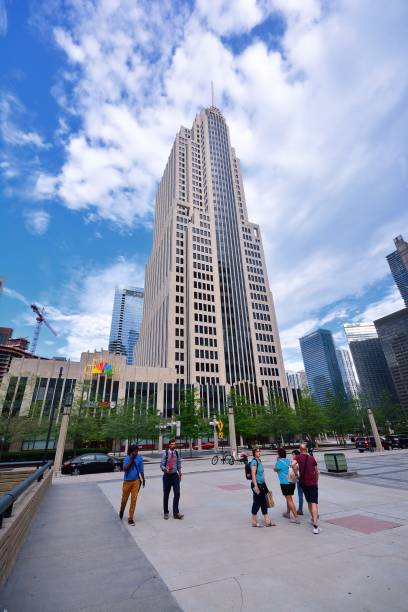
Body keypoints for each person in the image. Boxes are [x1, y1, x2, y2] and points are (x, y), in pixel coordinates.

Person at [293, 442, 320, 534]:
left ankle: (313, 518)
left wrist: (296, 474)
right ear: (307, 449)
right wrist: (316, 481)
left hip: (303, 483)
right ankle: (315, 524)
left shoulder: (298, 457)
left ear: (300, 450)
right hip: (312, 483)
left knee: (309, 501)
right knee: (313, 502)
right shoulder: (312, 458)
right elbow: (317, 472)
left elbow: (293, 465)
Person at [119, 444, 145, 526]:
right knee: (124, 499)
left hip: (136, 481)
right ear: (132, 451)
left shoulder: (140, 458)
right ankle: (122, 510)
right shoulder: (127, 458)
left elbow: (141, 470)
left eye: (137, 451)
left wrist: (143, 479)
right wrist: (131, 459)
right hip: (127, 481)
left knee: (133, 500)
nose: (137, 452)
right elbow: (125, 469)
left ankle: (130, 518)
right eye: (135, 451)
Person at [250, 447, 275, 528]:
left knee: (264, 501)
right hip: (256, 484)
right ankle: (254, 521)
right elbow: (253, 475)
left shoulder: (259, 461)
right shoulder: (254, 462)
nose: (259, 453)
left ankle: (267, 520)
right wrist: (256, 485)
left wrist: (265, 484)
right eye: (257, 451)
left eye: (259, 451)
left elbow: (262, 474)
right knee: (257, 502)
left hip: (262, 484)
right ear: (254, 453)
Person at [274, 448, 300, 524]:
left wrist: (277, 460)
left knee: (289, 500)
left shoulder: (279, 462)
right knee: (288, 498)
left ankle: (296, 517)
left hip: (285, 483)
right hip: (292, 482)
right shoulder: (289, 460)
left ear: (279, 454)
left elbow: (275, 469)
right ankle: (288, 513)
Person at [161, 439, 184, 520]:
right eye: (172, 444)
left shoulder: (177, 453)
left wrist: (180, 474)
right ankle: (166, 512)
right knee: (166, 495)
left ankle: (176, 513)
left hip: (175, 476)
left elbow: (178, 464)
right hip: (167, 476)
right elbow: (161, 465)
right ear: (169, 445)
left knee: (177, 493)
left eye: (175, 444)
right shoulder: (165, 453)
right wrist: (165, 469)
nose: (174, 445)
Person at [292, 449, 304, 515]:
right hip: (306, 479)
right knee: (308, 496)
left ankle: (300, 509)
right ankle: (314, 510)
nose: (292, 456)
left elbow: (294, 468)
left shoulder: (296, 462)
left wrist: (296, 475)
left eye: (293, 455)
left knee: (300, 494)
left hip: (300, 480)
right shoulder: (303, 460)